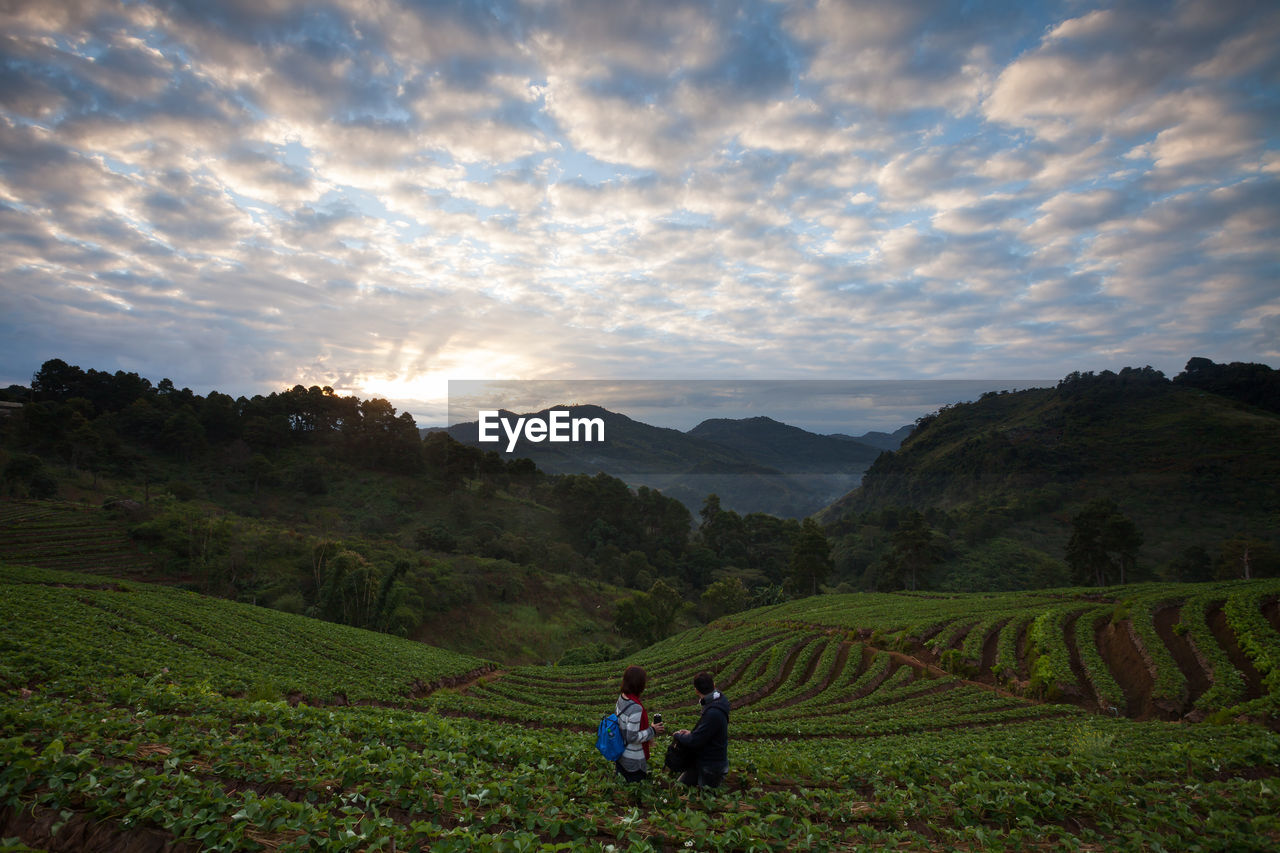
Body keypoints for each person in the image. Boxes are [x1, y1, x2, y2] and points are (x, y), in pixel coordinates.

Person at [673, 671, 730, 788]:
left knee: (704, 798)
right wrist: (691, 733)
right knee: (679, 787)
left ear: (696, 690)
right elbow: (706, 732)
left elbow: (695, 741)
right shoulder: (719, 701)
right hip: (703, 760)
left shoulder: (713, 712)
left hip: (711, 766)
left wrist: (679, 736)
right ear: (714, 685)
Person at [615, 664, 663, 783]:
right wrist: (652, 730)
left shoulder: (622, 698)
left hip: (620, 754)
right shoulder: (635, 707)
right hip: (632, 760)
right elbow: (632, 736)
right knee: (635, 794)